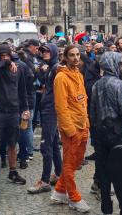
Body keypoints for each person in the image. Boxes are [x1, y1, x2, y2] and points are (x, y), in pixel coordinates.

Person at [89, 51, 122, 214]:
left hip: (101, 134)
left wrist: (98, 129)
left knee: (104, 171)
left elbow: (92, 112)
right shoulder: (120, 85)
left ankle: (106, 207)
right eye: (120, 63)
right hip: (118, 133)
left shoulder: (96, 85)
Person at [50, 45, 90, 213]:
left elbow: (82, 100)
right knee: (68, 163)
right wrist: (69, 129)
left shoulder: (78, 74)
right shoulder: (61, 78)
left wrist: (86, 122)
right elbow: (61, 106)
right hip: (71, 127)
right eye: (71, 55)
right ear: (65, 57)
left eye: (77, 55)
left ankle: (59, 191)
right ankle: (73, 196)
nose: (75, 58)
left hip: (82, 124)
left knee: (77, 160)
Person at [0, 43, 29, 184]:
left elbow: (22, 89)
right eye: (2, 56)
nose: (5, 58)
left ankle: (13, 171)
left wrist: (26, 108)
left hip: (13, 110)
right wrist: (6, 62)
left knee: (12, 143)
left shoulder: (18, 69)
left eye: (7, 55)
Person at [28, 44, 62, 195]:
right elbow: (44, 83)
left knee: (45, 146)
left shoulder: (56, 68)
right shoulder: (49, 67)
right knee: (53, 144)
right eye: (42, 51)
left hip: (51, 111)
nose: (44, 53)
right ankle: (59, 174)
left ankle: (45, 181)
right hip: (48, 109)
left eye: (47, 50)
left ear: (53, 52)